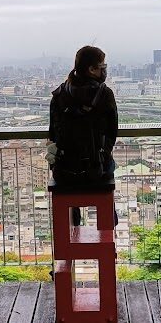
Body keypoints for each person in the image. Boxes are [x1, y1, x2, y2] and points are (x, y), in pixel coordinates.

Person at [47, 45, 118, 226]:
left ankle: (74, 219)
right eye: (102, 67)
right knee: (110, 164)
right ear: (91, 69)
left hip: (64, 171)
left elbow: (53, 133)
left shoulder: (59, 94)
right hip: (96, 171)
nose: (104, 71)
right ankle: (110, 219)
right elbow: (112, 132)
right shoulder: (104, 94)